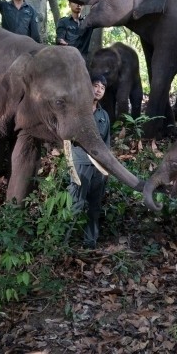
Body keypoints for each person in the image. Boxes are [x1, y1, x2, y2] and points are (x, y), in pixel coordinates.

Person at [68, 74, 111, 249]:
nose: (99, 90)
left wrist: (107, 169)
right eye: (96, 85)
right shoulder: (77, 110)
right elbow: (68, 136)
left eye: (103, 87)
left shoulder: (104, 115)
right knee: (76, 203)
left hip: (99, 168)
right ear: (88, 87)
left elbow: (107, 143)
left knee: (94, 206)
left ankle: (90, 242)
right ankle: (66, 241)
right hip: (80, 164)